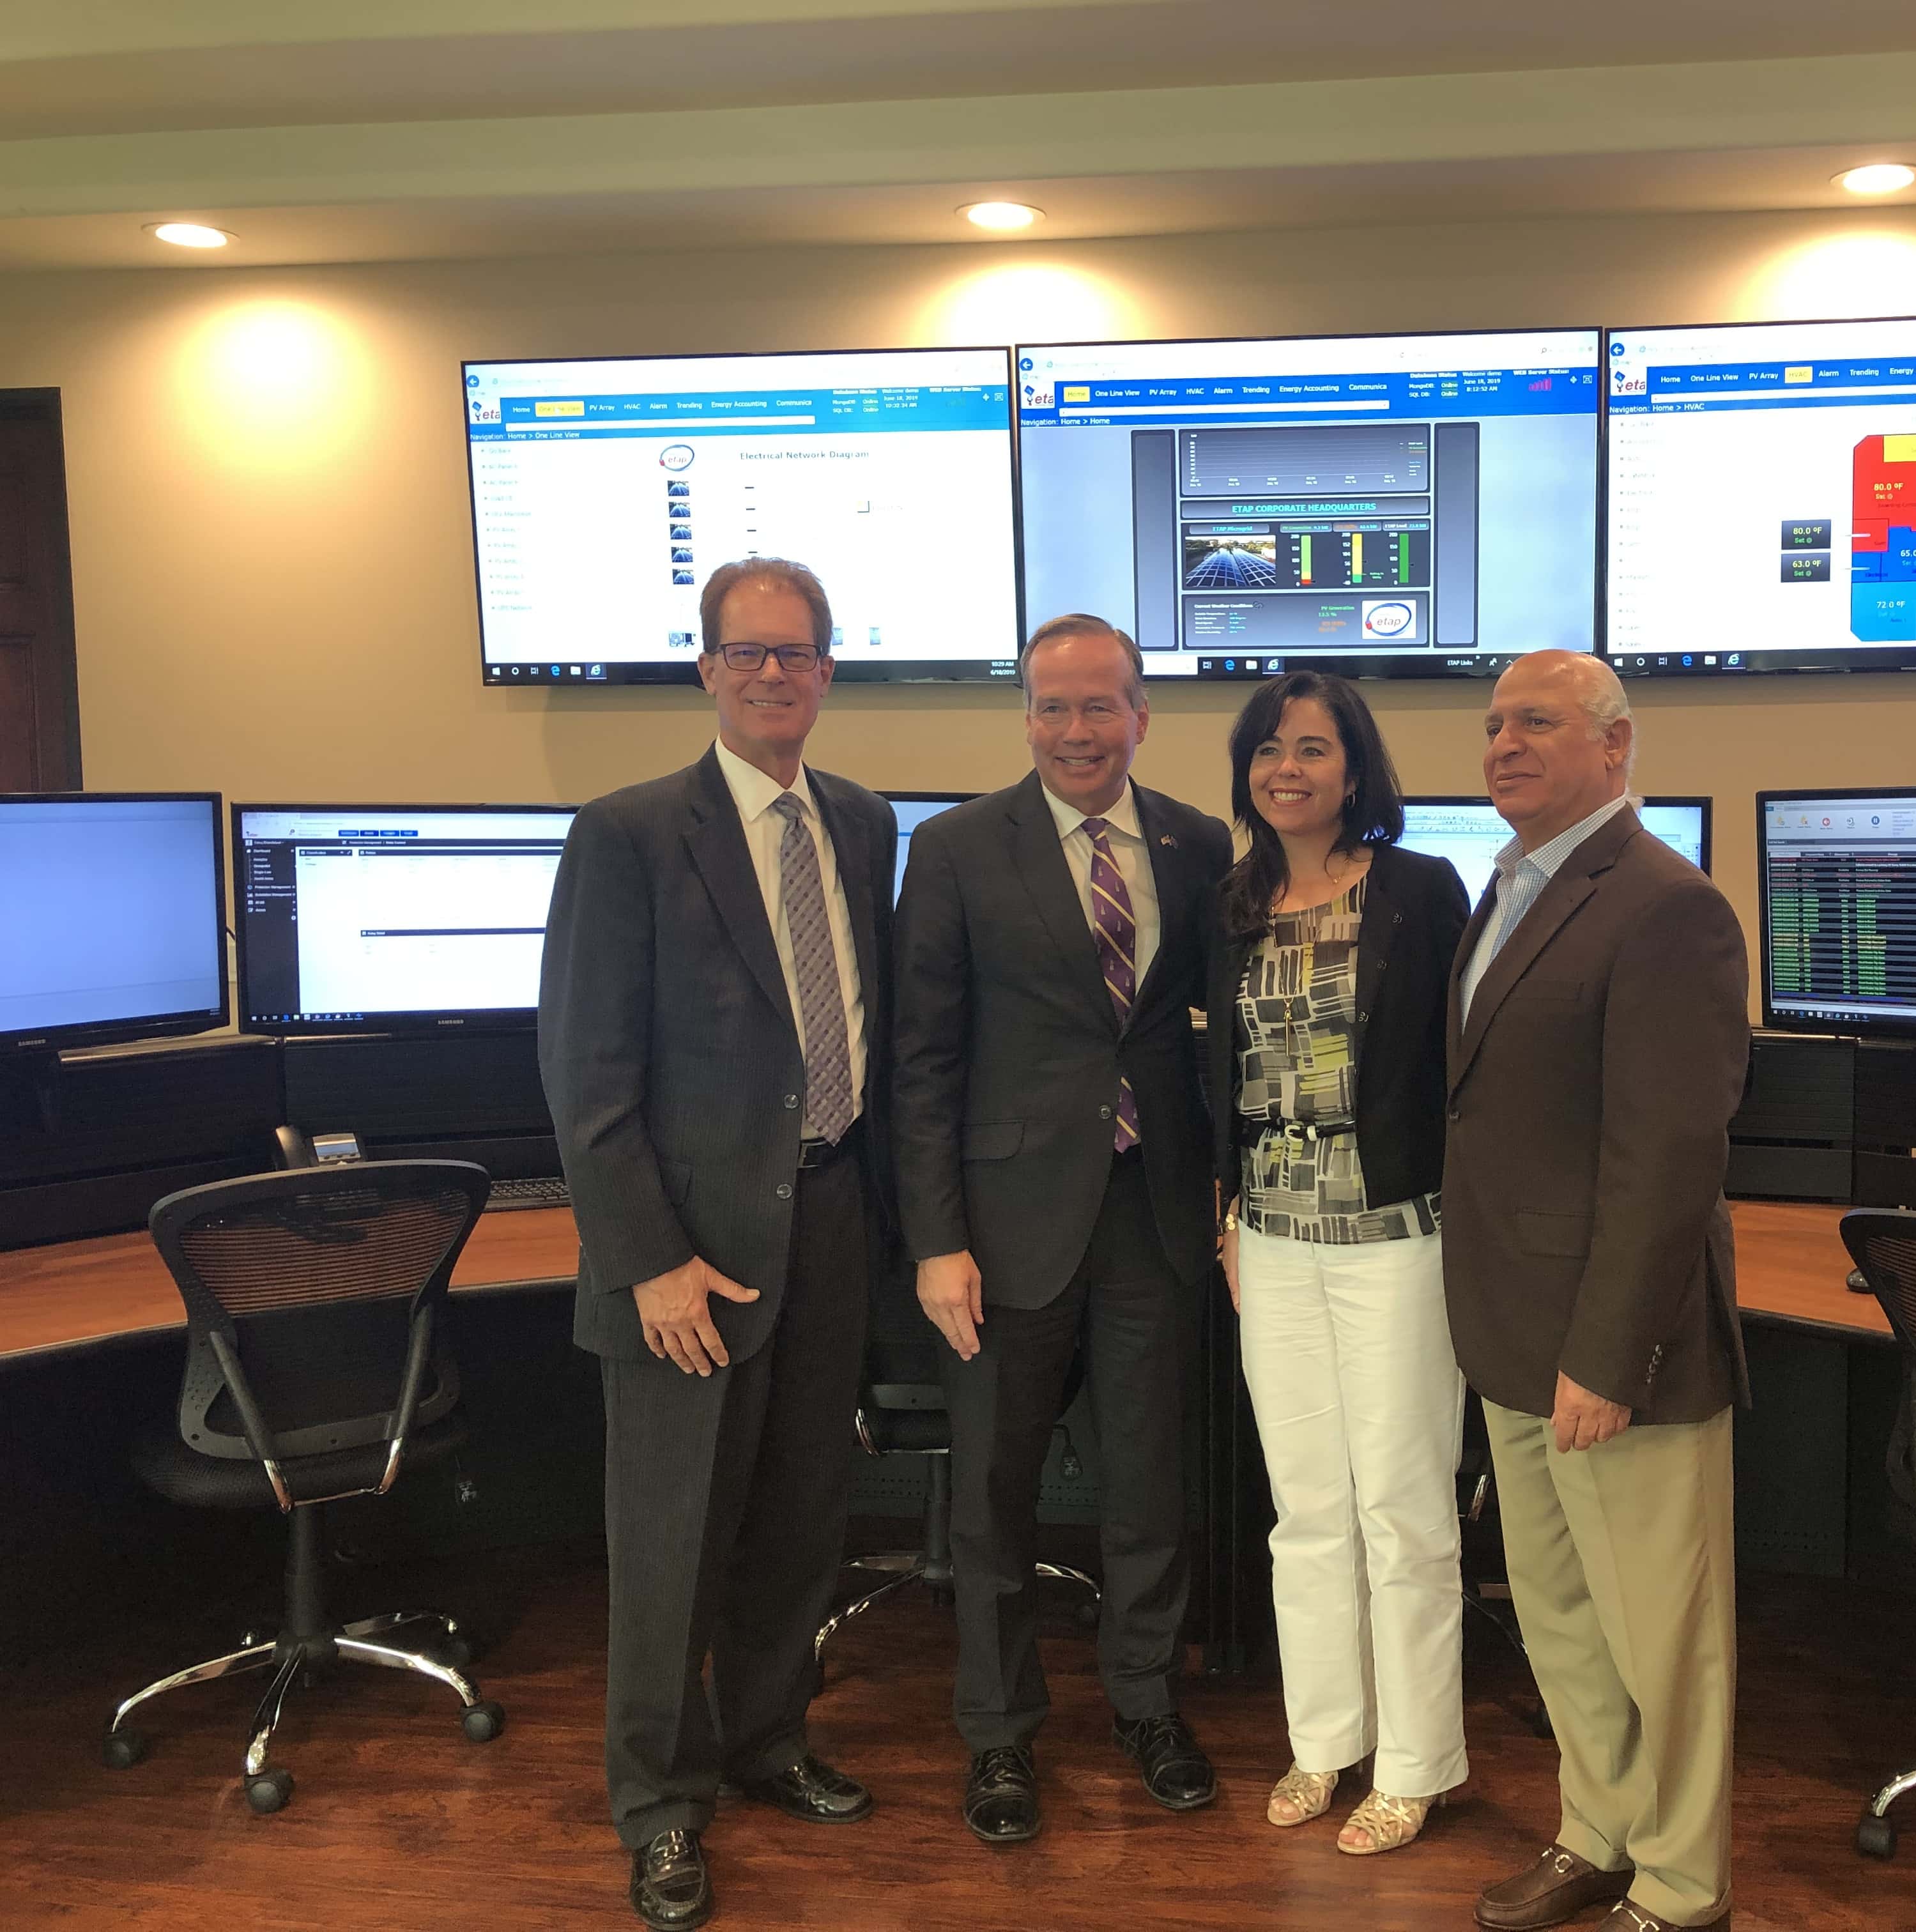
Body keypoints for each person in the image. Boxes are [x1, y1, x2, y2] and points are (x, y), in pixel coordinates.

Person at [537, 556, 897, 1931]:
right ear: (706, 669)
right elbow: (586, 1074)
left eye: (795, 652)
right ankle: (660, 1805)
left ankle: (768, 1740)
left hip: (832, 1221)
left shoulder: (862, 823)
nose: (770, 674)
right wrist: (646, 1260)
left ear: (827, 671)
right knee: (672, 1544)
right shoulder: (628, 833)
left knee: (800, 1519)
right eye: (745, 652)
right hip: (689, 1254)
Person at [892, 613, 1233, 1843]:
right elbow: (922, 1060)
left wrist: (1228, 1194)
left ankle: (1146, 1703)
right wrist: (936, 1240)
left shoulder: (1199, 843)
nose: (1076, 730)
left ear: (1141, 715)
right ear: (1026, 716)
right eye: (1052, 706)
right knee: (994, 1494)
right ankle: (998, 1733)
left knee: (1149, 1484)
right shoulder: (955, 846)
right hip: (1002, 1224)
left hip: (1154, 1214)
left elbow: (1210, 1037)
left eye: (1099, 705)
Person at [1442, 652, 1752, 1932]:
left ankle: (1681, 1888)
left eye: (1538, 722)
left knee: (1658, 1635)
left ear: (1616, 747)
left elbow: (1668, 1157)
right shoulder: (1510, 885)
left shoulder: (1668, 905)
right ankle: (1599, 1833)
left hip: (1615, 1350)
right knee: (1561, 1618)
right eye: (1494, 725)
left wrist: (1609, 1355)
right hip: (1513, 1329)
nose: (1505, 744)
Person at [1204, 671, 1475, 1855]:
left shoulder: (1419, 890)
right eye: (1269, 749)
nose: (1288, 770)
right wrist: (1226, 1216)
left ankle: (1417, 1764)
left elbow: (1463, 1065)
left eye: (1313, 748)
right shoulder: (1233, 903)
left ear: (1354, 768)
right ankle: (1324, 1742)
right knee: (1306, 1510)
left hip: (1396, 1240)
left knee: (1404, 1513)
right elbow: (1219, 1078)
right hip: (1271, 1240)